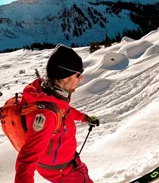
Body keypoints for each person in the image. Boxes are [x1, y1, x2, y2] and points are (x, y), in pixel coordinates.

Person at [15, 44, 100, 183]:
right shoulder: (46, 115)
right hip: (61, 172)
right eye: (78, 74)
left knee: (84, 174)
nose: (81, 78)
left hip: (68, 162)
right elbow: (26, 161)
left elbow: (64, 111)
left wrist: (84, 118)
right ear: (65, 78)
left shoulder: (49, 93)